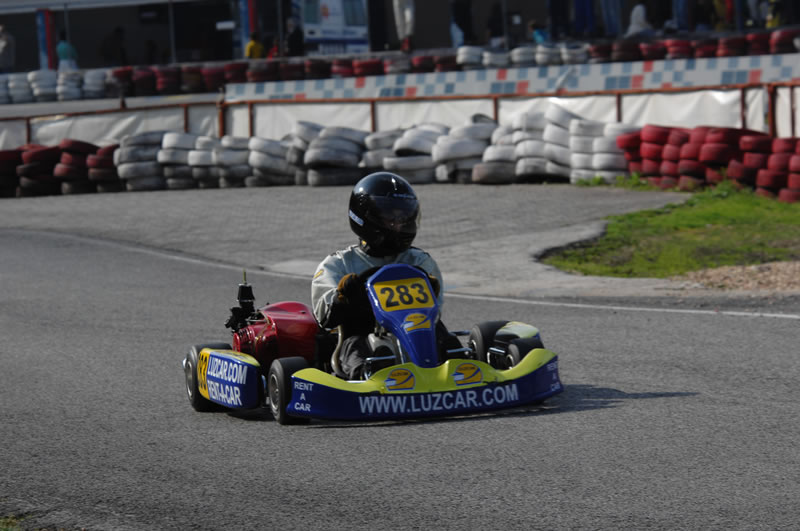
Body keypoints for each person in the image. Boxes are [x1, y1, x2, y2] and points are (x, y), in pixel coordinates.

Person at [311, 172, 458, 380]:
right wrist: (343, 297)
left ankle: (461, 366)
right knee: (356, 349)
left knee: (445, 338)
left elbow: (435, 313)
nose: (398, 225)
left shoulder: (419, 261)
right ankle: (369, 377)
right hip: (360, 332)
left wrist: (430, 290)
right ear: (364, 217)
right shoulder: (338, 264)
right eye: (391, 218)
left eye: (403, 218)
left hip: (416, 329)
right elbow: (324, 317)